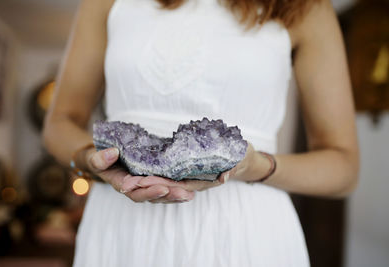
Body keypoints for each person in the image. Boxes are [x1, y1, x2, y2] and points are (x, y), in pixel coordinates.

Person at [42, 0, 359, 266]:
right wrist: (91, 159)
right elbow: (59, 123)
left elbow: (344, 168)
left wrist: (254, 165)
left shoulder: (307, 7)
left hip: (245, 233)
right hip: (119, 224)